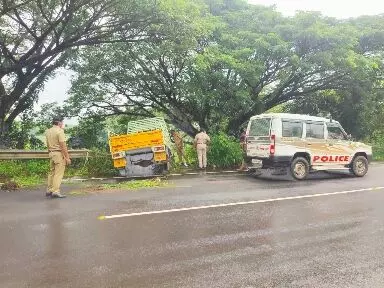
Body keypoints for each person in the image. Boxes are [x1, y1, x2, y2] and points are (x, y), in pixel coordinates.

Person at [45, 116, 71, 198]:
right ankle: (55, 191)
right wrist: (67, 157)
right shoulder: (60, 131)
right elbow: (63, 146)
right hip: (58, 154)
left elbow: (48, 145)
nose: (63, 124)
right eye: (62, 122)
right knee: (58, 173)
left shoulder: (48, 131)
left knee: (51, 172)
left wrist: (50, 152)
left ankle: (49, 190)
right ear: (59, 122)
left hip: (51, 153)